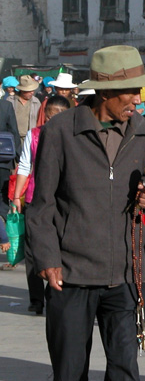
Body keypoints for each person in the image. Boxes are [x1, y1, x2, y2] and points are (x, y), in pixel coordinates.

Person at [27, 45, 145, 381]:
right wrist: (48, 260)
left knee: (125, 368)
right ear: (103, 92)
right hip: (69, 273)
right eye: (128, 92)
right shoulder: (62, 131)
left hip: (124, 272)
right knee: (70, 370)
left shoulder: (143, 131)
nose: (136, 100)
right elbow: (42, 203)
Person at [12, 95, 70, 314]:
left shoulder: (35, 135)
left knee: (35, 250)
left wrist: (18, 196)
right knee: (43, 248)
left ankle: (39, 298)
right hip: (51, 199)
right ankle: (46, 296)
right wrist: (17, 196)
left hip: (39, 198)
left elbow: (25, 166)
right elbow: (25, 166)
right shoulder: (67, 135)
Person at [7, 75, 41, 146]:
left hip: (29, 138)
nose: (32, 92)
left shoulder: (36, 102)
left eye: (33, 90)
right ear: (22, 90)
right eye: (29, 91)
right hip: (13, 137)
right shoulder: (10, 100)